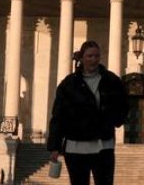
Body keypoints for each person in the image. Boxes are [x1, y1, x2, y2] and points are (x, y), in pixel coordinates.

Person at [47, 41, 128, 185]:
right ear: (82, 58)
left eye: (97, 56)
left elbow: (123, 104)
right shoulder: (69, 84)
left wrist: (116, 119)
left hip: (103, 144)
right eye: (90, 56)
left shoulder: (111, 80)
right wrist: (55, 146)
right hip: (76, 146)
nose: (94, 60)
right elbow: (59, 117)